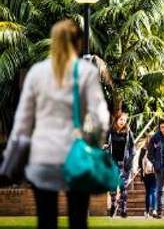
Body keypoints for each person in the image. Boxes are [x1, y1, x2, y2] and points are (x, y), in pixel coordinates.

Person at [2, 20, 110, 229]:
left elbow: (23, 120)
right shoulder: (85, 72)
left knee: (46, 218)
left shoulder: (37, 73)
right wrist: (95, 143)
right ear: (78, 43)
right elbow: (100, 117)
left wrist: (13, 152)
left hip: (42, 153)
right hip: (76, 153)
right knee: (78, 218)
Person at [105, 113, 135, 218]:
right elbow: (105, 145)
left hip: (124, 163)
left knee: (123, 187)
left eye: (124, 120)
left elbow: (133, 149)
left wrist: (130, 162)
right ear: (117, 120)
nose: (122, 122)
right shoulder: (110, 132)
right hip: (112, 163)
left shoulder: (128, 133)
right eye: (121, 119)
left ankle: (123, 209)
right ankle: (113, 205)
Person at [138, 137, 157, 218]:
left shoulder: (143, 150)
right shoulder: (157, 149)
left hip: (146, 174)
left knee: (148, 192)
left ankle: (147, 211)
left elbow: (139, 163)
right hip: (155, 173)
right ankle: (154, 210)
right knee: (153, 191)